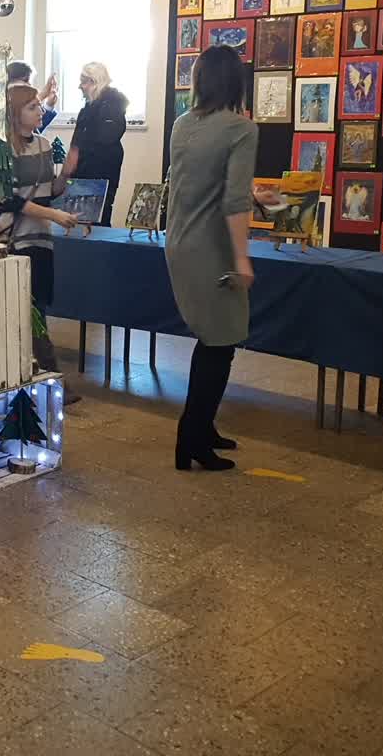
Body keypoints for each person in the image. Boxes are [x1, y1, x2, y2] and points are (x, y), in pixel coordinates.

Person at [165, 45, 258, 473]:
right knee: (220, 343)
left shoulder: (183, 124)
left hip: (181, 242)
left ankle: (204, 427)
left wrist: (255, 196)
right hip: (212, 248)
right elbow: (234, 202)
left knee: (213, 337)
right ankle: (192, 438)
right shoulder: (241, 129)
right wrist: (242, 259)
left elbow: (198, 183)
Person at [0, 83, 77, 372]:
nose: (40, 111)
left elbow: (47, 191)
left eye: (39, 106)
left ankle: (45, 375)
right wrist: (54, 215)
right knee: (25, 310)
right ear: (16, 113)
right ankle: (48, 374)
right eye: (32, 107)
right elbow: (11, 200)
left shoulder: (43, 145)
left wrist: (66, 174)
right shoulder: (3, 150)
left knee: (38, 307)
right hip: (15, 238)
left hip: (41, 239)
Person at [60, 61, 129, 226]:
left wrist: (76, 156)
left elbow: (105, 138)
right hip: (84, 175)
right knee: (78, 221)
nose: (80, 86)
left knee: (94, 220)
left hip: (97, 174)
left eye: (83, 82)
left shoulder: (111, 107)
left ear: (94, 82)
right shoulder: (89, 109)